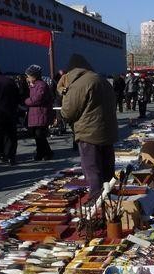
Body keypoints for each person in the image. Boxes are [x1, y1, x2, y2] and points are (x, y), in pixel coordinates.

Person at [59, 56, 118, 200]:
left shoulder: (80, 84)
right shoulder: (101, 80)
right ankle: (109, 196)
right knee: (107, 167)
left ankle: (97, 199)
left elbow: (68, 111)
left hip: (88, 131)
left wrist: (63, 95)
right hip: (107, 130)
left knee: (92, 167)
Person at [24, 64, 54, 161]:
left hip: (40, 113)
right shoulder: (34, 85)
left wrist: (27, 101)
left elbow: (37, 99)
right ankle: (43, 153)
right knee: (37, 136)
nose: (27, 78)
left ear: (34, 76)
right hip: (36, 114)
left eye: (28, 76)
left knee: (39, 135)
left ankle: (45, 153)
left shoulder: (41, 85)